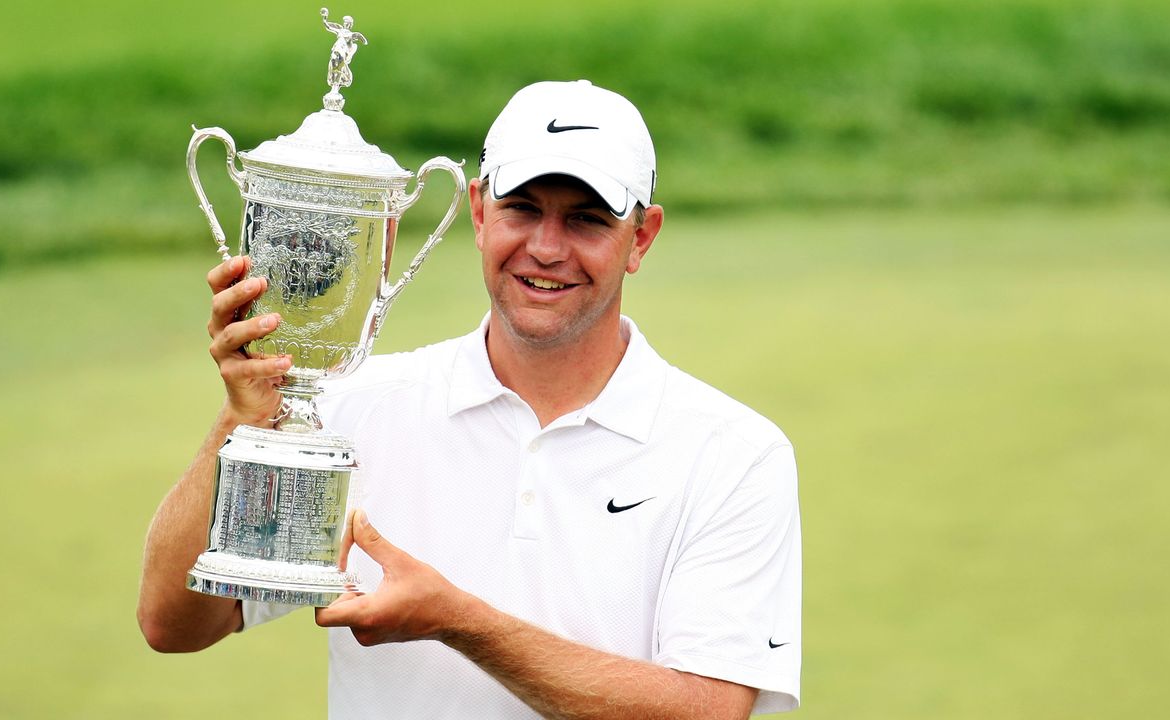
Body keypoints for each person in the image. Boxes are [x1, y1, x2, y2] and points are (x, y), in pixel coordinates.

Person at [139, 79, 802, 719]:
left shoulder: (735, 454)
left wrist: (457, 620)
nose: (545, 249)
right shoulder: (353, 404)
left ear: (642, 237)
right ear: (481, 212)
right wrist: (242, 416)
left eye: (587, 219)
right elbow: (173, 621)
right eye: (523, 209)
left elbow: (708, 710)